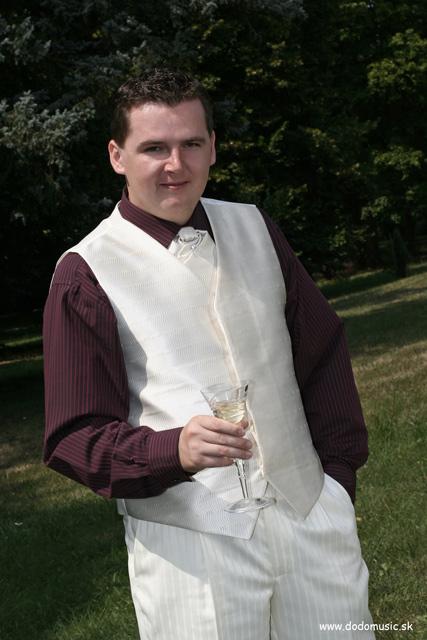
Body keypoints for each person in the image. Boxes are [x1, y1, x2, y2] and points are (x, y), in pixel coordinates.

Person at [43, 68, 374, 639]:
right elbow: (74, 436)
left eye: (191, 144)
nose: (176, 164)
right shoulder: (86, 272)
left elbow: (321, 351)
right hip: (192, 545)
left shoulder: (255, 227)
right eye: (154, 148)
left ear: (213, 147)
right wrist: (173, 450)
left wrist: (337, 482)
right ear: (118, 156)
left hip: (309, 516)